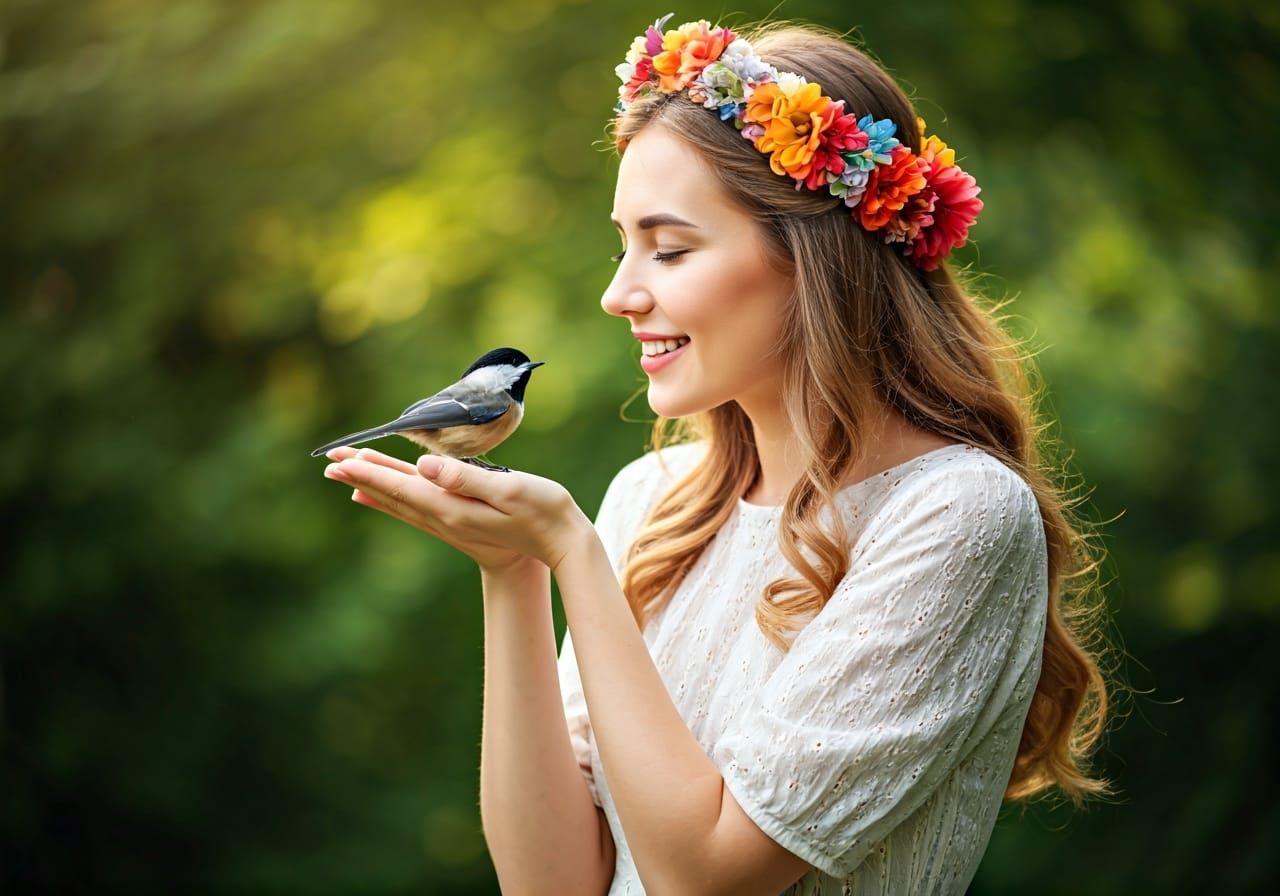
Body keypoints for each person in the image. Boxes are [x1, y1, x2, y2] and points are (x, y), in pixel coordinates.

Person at [320, 14, 1110, 895]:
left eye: (669, 248)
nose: (620, 294)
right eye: (620, 247)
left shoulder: (954, 517)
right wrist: (513, 576)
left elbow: (703, 880)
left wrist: (571, 554)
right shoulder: (649, 499)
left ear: (811, 259)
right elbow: (550, 884)